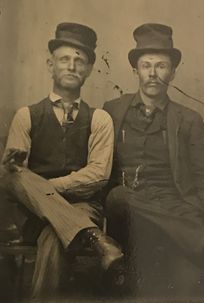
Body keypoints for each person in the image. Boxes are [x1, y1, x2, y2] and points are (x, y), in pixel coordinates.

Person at [103, 23, 204, 299]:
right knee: (119, 196)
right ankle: (203, 242)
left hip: (177, 210)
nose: (153, 74)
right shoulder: (112, 111)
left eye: (161, 66)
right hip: (128, 213)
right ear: (135, 70)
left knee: (188, 286)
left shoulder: (189, 119)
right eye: (146, 65)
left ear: (173, 72)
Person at [1, 22, 124, 299]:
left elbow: (97, 176)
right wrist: (18, 174)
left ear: (90, 69)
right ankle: (97, 239)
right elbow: (14, 178)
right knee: (11, 173)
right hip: (35, 215)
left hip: (83, 208)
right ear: (50, 64)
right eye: (64, 59)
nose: (71, 66)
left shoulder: (99, 119)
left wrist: (42, 187)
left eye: (79, 61)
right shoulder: (26, 115)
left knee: (57, 233)